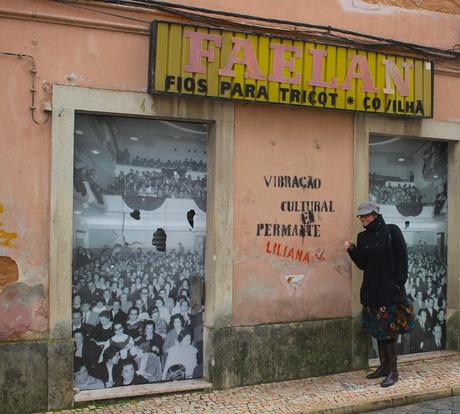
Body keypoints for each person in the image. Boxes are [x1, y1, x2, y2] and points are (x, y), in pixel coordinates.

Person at [344, 201, 413, 387]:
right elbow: (363, 264)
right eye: (361, 216)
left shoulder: (392, 231)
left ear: (376, 214)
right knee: (378, 331)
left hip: (389, 291)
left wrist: (399, 283)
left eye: (366, 215)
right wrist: (352, 251)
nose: (363, 219)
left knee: (389, 332)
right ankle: (383, 367)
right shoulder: (363, 237)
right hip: (371, 292)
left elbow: (402, 258)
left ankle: (393, 371)